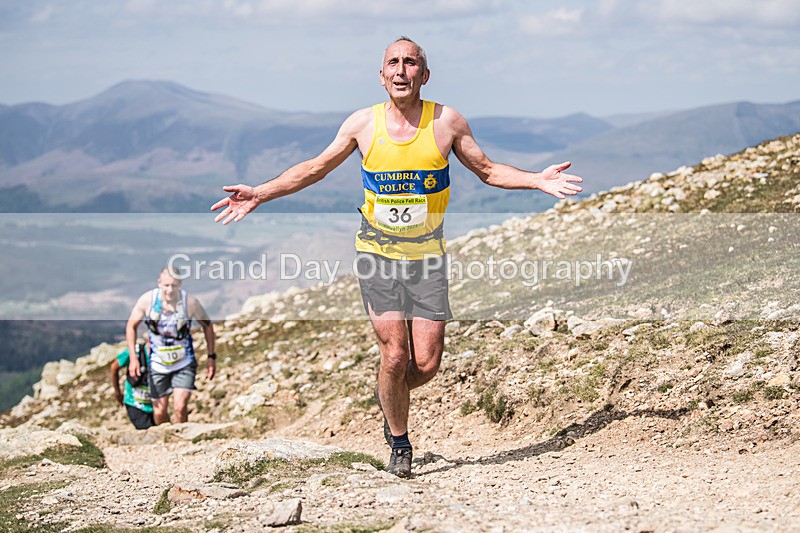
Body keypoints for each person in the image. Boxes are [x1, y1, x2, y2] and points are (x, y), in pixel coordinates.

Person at [211, 37, 582, 477]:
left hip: (427, 258)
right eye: (394, 63)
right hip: (377, 254)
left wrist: (535, 180)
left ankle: (389, 396)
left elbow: (487, 170)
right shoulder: (362, 124)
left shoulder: (446, 122)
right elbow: (314, 168)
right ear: (382, 75)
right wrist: (261, 192)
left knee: (425, 364)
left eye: (411, 63)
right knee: (395, 356)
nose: (402, 70)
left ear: (424, 75)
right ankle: (400, 442)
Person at [126, 268, 217, 425]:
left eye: (174, 285)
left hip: (184, 362)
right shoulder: (147, 300)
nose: (170, 290)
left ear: (179, 284)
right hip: (157, 364)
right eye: (166, 285)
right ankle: (166, 441)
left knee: (180, 407)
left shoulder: (190, 303)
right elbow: (130, 327)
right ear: (159, 283)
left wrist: (211, 357)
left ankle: (183, 443)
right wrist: (133, 359)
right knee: (160, 411)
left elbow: (208, 326)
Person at [110, 343, 156, 430]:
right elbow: (114, 367)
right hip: (134, 403)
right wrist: (117, 392)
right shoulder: (135, 352)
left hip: (155, 404)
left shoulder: (161, 352)